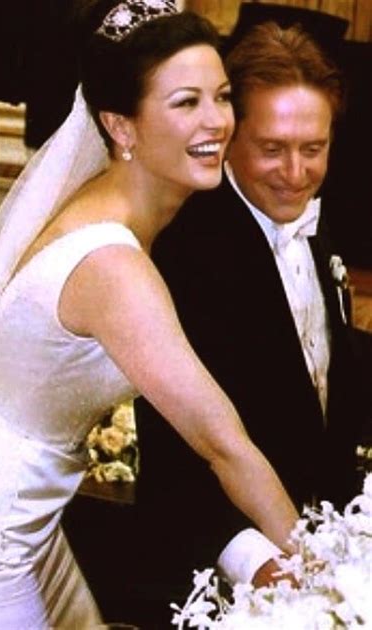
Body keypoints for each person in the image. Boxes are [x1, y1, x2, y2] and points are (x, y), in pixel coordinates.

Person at [0, 2, 301, 628]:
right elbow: (222, 444)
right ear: (121, 126)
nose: (216, 121)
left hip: (19, 516)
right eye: (185, 102)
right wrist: (325, 571)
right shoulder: (113, 265)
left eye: (221, 97)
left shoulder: (107, 207)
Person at [119, 19, 371, 627]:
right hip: (213, 573)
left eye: (314, 149)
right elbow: (175, 449)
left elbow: (319, 375)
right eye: (272, 148)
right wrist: (260, 562)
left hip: (323, 544)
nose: (296, 172)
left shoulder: (310, 216)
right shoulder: (183, 250)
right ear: (230, 137)